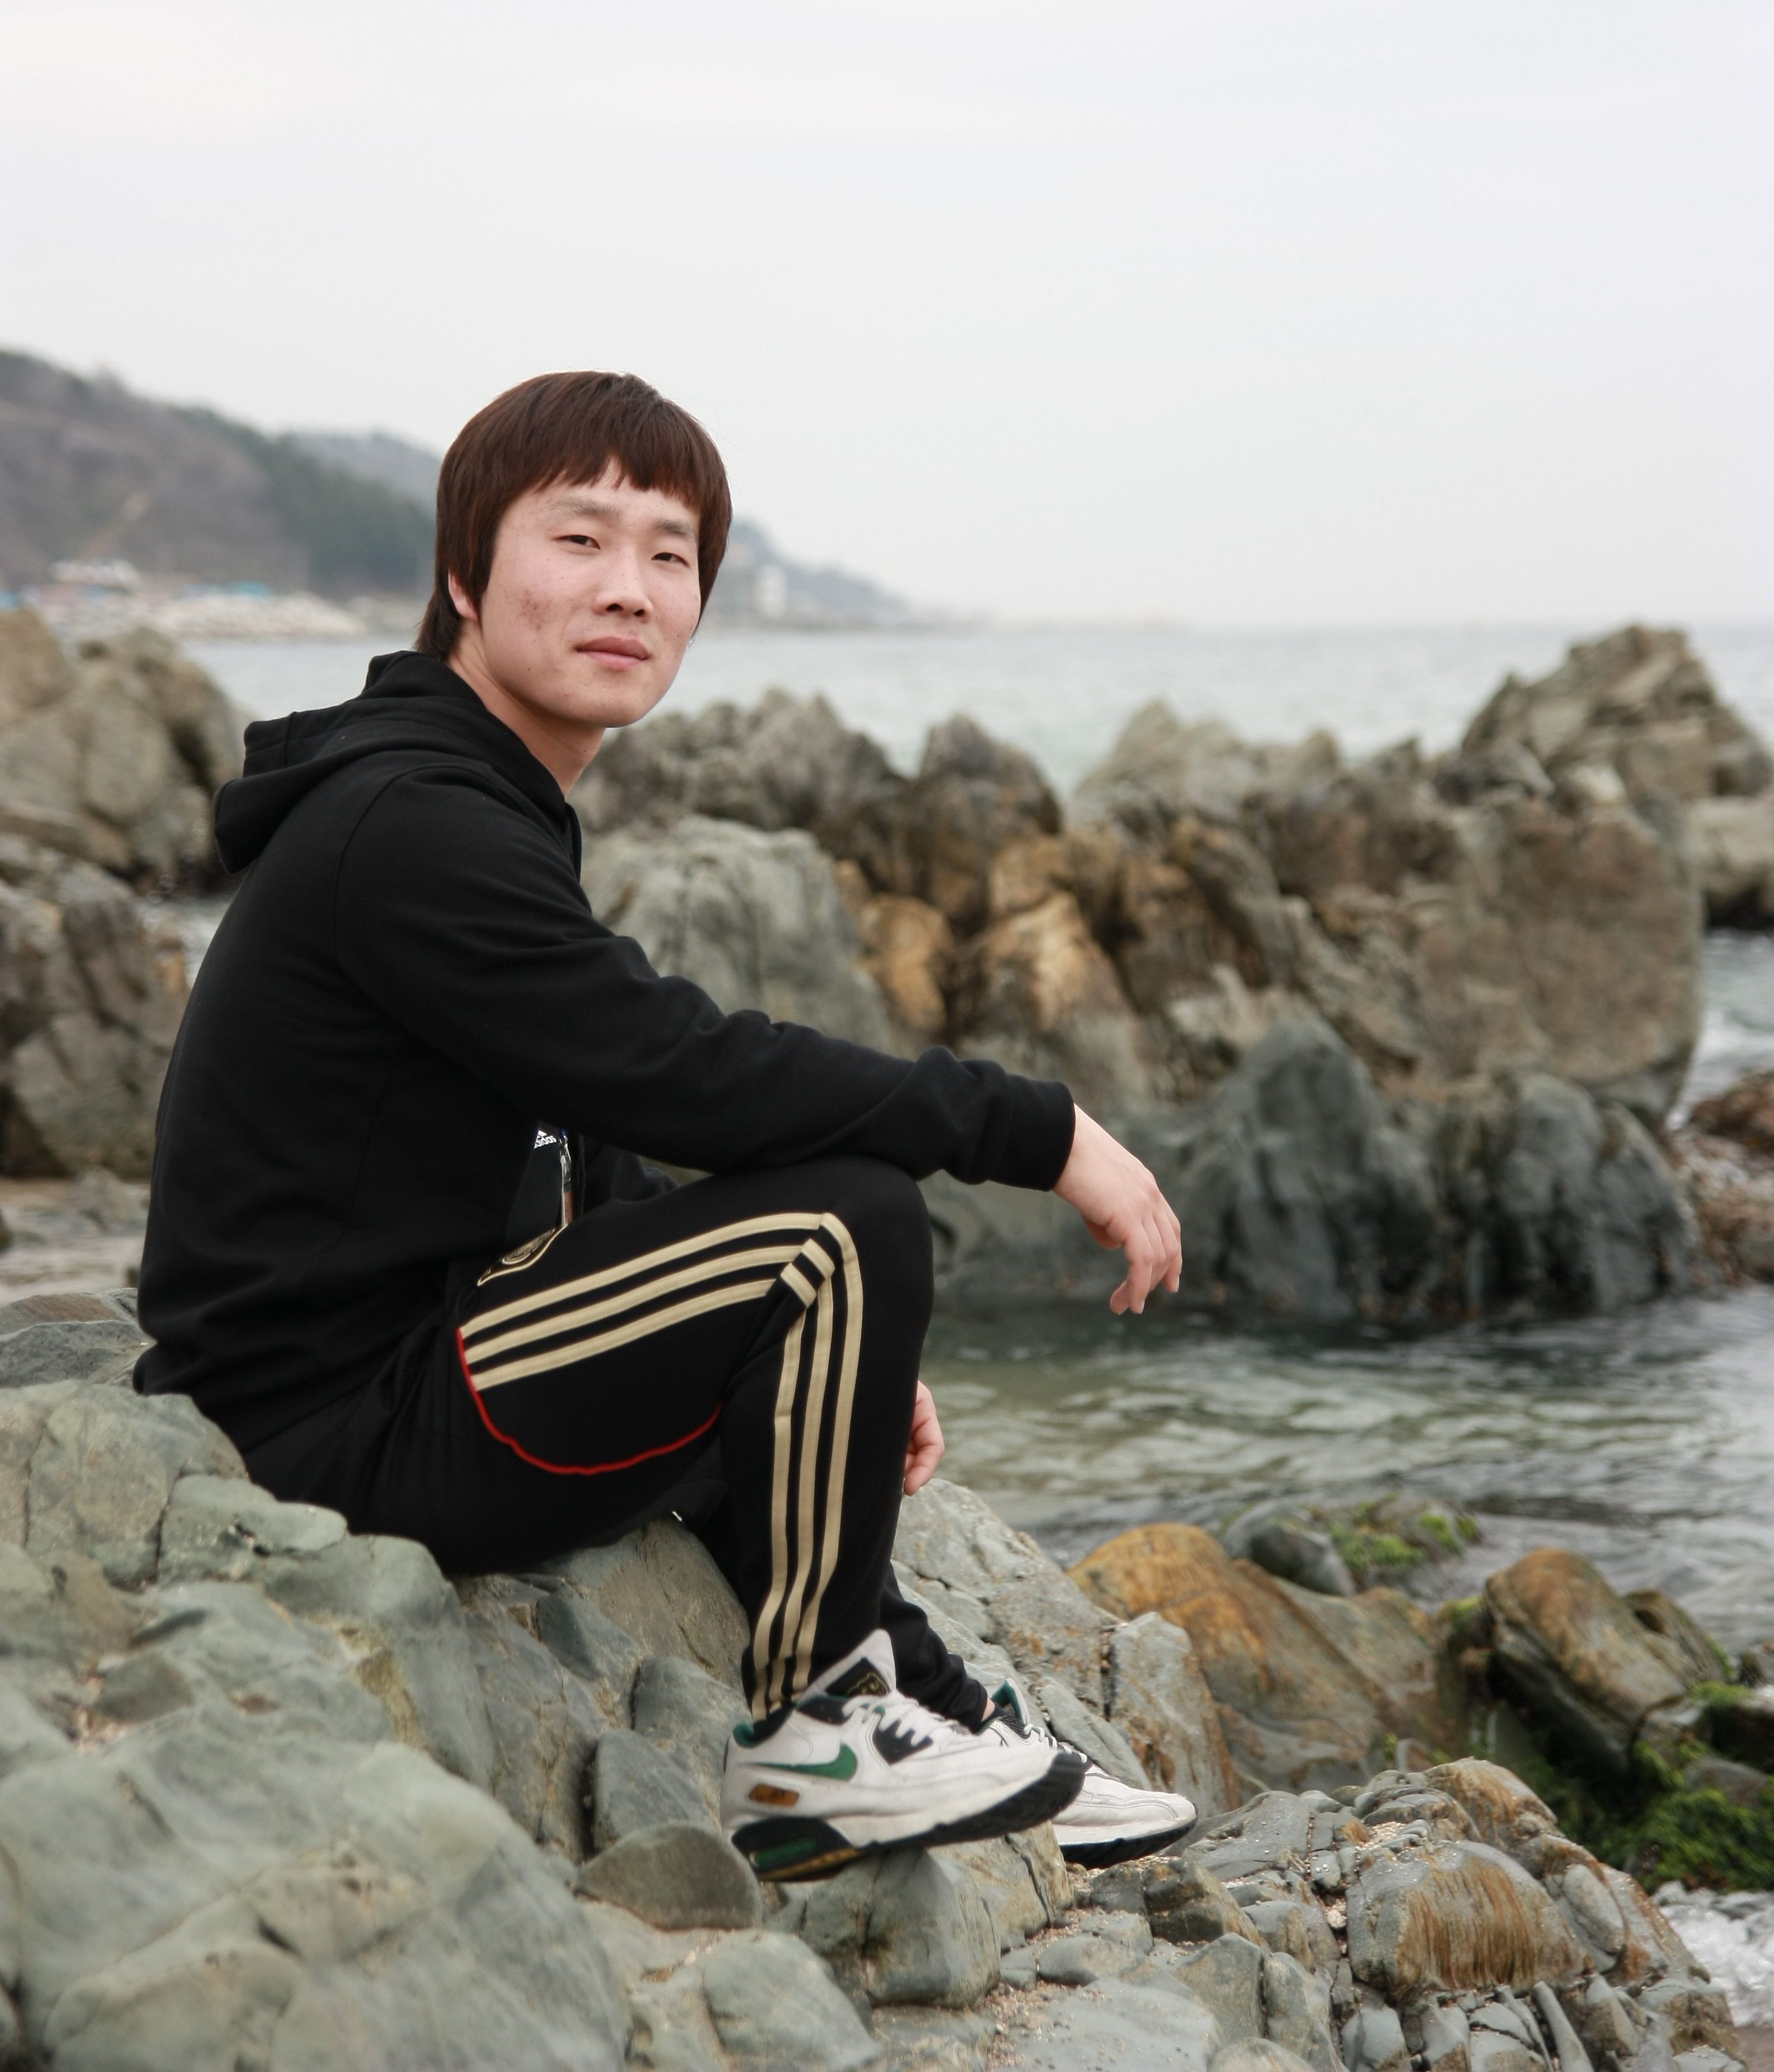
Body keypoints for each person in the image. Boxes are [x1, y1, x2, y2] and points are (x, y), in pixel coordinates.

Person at [135, 369, 1190, 1878]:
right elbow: (670, 1066)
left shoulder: (470, 794)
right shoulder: (411, 823)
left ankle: (928, 1704)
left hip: (423, 1356)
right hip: (326, 1425)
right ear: (463, 575)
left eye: (669, 555)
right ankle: (820, 1735)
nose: (628, 588)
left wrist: (821, 1362)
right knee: (846, 1220)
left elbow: (574, 1141)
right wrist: (1034, 1130)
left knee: (808, 1287)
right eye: (579, 540)